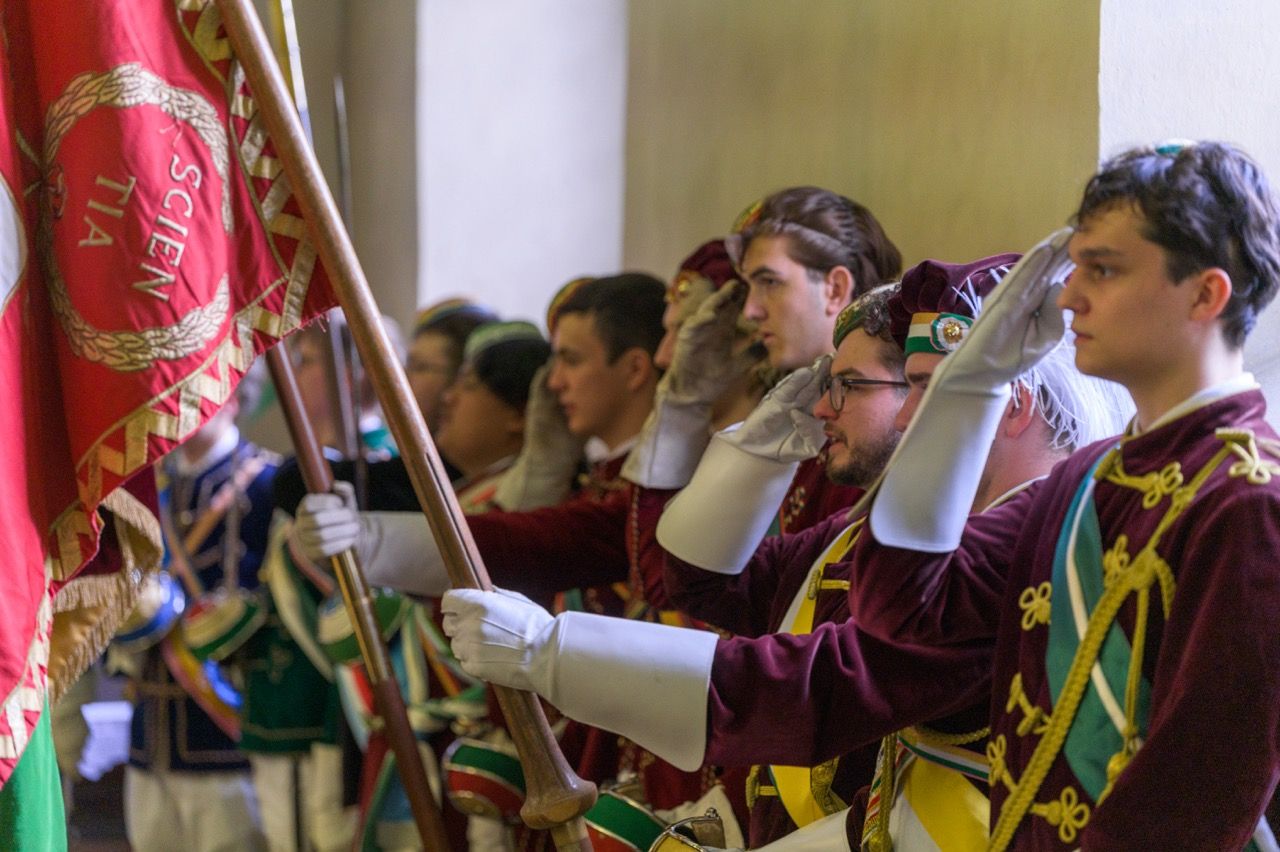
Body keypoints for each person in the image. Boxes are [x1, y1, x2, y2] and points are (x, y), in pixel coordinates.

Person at [440, 256, 1131, 849]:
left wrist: (551, 653)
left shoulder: (1032, 533)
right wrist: (754, 457)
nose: (910, 415)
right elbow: (703, 587)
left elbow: (830, 681)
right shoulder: (947, 522)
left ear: (1011, 404)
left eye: (925, 388)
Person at [845, 141, 1280, 849]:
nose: (1070, 295)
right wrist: (969, 387)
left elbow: (1194, 797)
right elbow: (905, 609)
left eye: (1103, 269)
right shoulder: (1088, 477)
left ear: (1206, 293)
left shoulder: (1248, 500)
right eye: (1074, 265)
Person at [121, 367, 277, 852]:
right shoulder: (145, 491)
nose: (175, 404)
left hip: (225, 738)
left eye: (190, 388)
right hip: (151, 735)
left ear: (231, 392)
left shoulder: (266, 482)